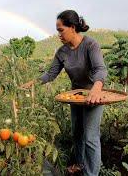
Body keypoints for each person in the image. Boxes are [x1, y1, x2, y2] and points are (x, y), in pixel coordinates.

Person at [20, 10, 107, 176]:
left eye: (61, 30)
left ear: (72, 27)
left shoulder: (90, 45)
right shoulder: (62, 52)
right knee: (77, 134)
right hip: (75, 98)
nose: (58, 34)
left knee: (90, 137)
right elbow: (51, 73)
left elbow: (100, 69)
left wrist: (96, 89)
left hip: (94, 97)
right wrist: (33, 83)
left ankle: (92, 173)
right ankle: (81, 165)